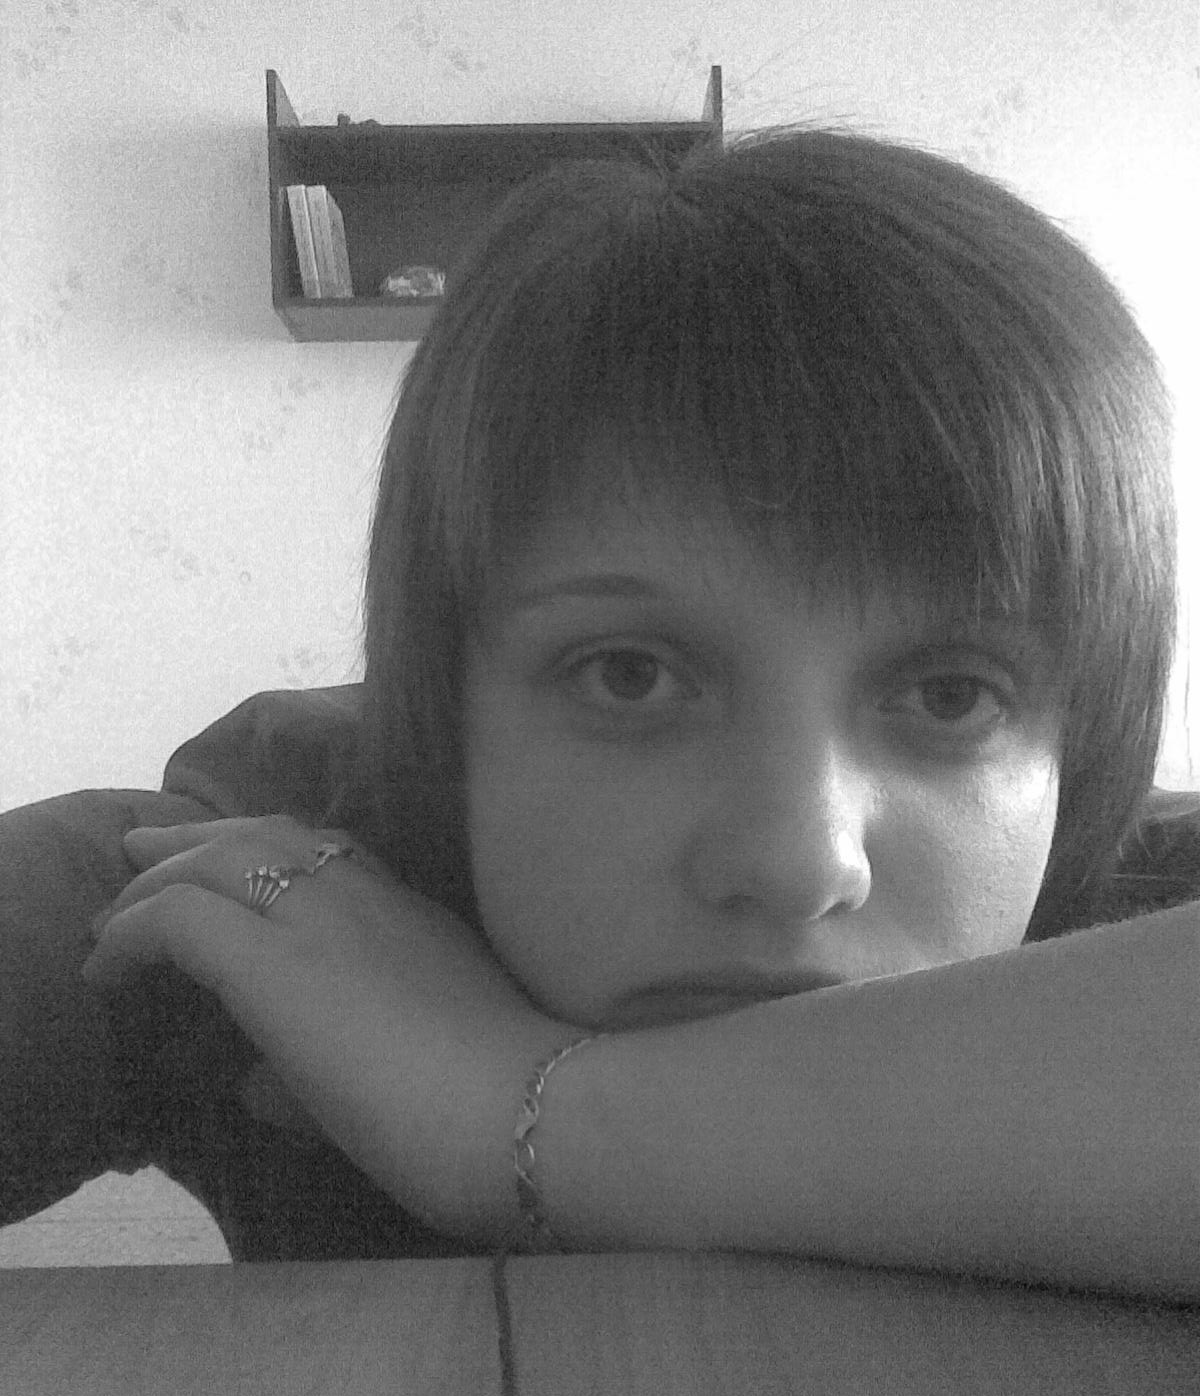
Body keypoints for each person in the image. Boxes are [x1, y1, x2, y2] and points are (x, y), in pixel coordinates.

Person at [3, 126, 1198, 1297]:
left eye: (951, 696)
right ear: (443, 714)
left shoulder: (1141, 907)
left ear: (1083, 756)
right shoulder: (291, 896)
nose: (796, 862)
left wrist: (510, 1109)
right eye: (629, 674)